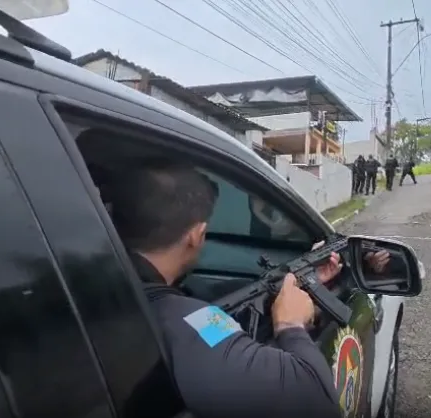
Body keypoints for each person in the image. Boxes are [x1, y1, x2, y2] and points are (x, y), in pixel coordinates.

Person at [109, 160, 344, 418]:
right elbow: (317, 399)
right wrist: (291, 326)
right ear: (197, 235)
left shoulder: (97, 287)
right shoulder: (191, 321)